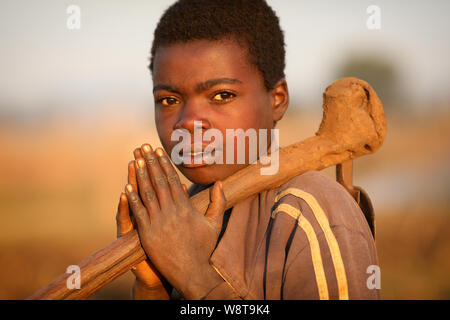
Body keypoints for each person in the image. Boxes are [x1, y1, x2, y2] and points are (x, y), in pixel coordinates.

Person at [115, 0, 380, 300]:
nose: (188, 122)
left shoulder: (307, 211)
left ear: (277, 99)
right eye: (168, 100)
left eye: (222, 95)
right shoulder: (180, 215)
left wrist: (195, 276)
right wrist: (153, 286)